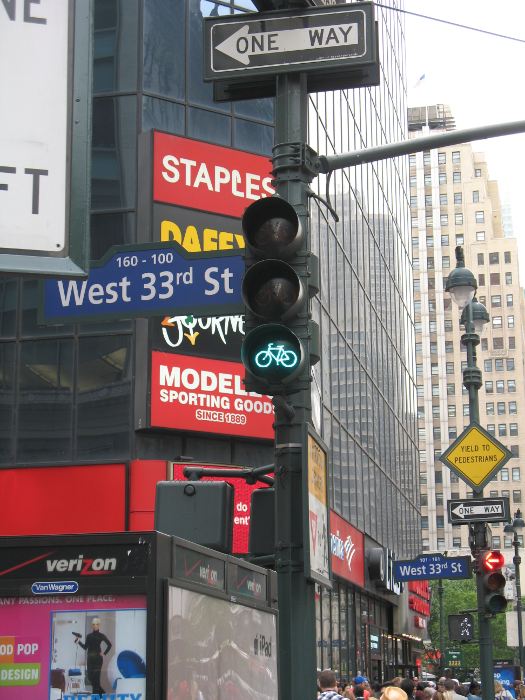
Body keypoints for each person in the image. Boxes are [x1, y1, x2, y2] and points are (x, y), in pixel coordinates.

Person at [74, 617, 112, 696]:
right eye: (94, 624)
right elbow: (85, 647)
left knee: (96, 679)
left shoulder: (101, 635)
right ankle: (103, 694)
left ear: (99, 625)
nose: (95, 626)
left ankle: (96, 697)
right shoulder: (89, 636)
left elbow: (109, 645)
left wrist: (104, 653)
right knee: (91, 678)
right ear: (92, 625)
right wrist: (78, 642)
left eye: (97, 624)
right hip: (90, 659)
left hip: (98, 659)